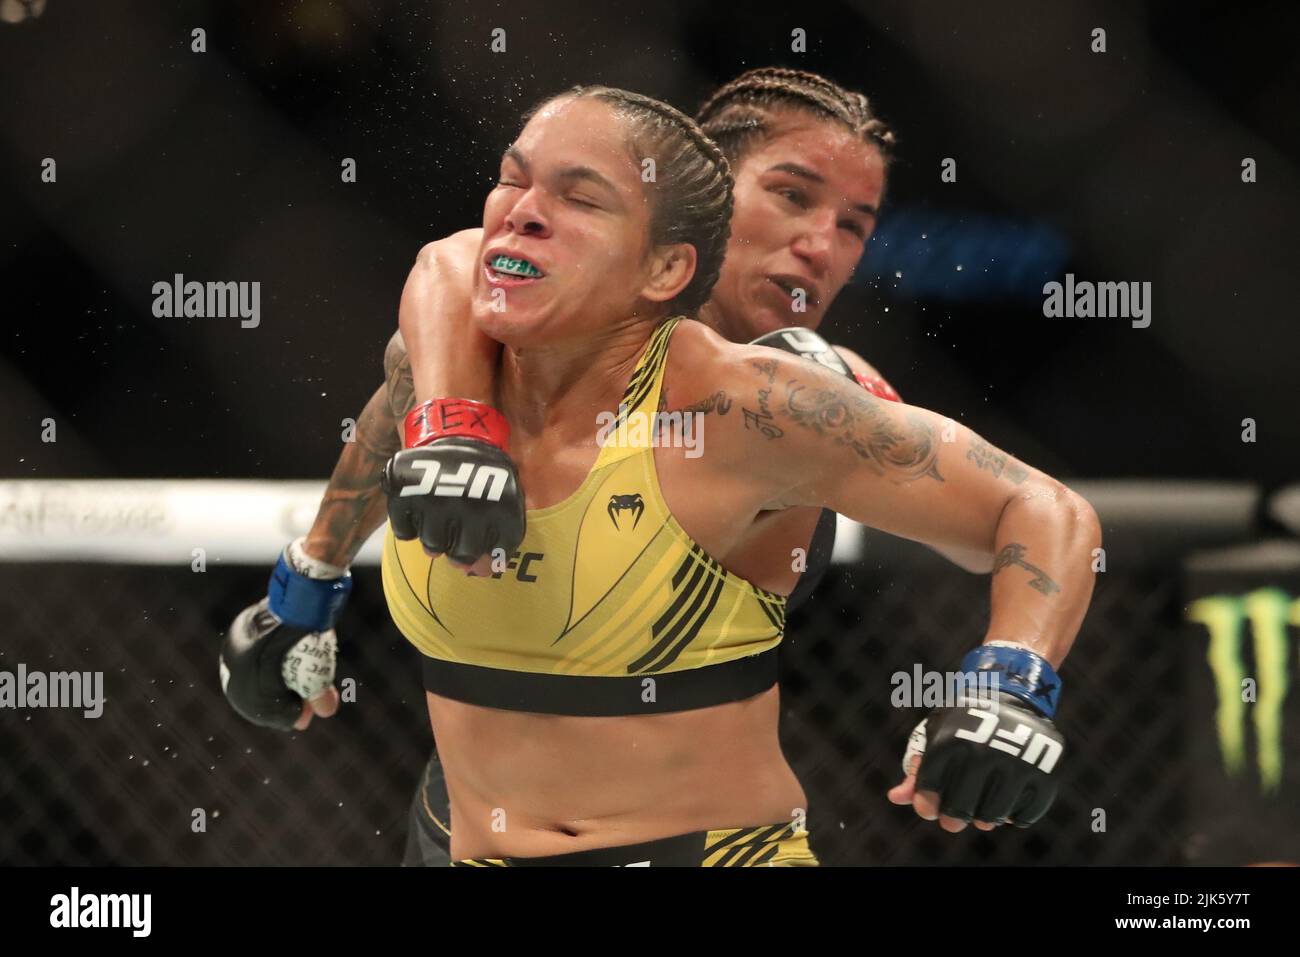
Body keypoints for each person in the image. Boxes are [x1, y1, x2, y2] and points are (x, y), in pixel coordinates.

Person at [372, 84, 1098, 866]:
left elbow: (1038, 504)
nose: (524, 213)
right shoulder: (447, 348)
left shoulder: (763, 404)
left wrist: (1008, 682)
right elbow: (444, 265)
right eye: (513, 181)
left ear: (666, 265)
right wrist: (312, 573)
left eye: (854, 226)